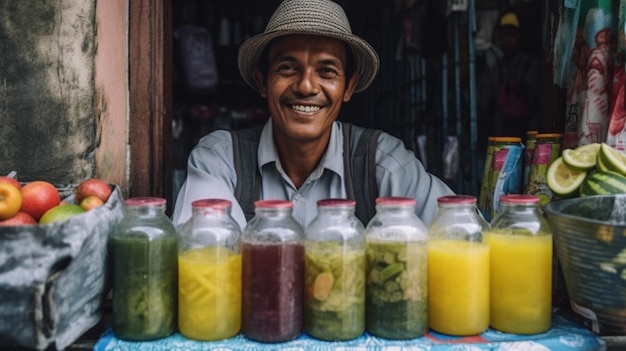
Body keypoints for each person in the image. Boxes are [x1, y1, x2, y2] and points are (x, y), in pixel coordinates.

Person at [172, 0, 454, 230]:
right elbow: (203, 256)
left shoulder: (382, 163)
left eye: (326, 71)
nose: (306, 86)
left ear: (349, 87)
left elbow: (459, 232)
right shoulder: (220, 160)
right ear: (262, 82)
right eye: (288, 68)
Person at [477, 11, 540, 154]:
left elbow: (537, 99)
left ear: (518, 37)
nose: (507, 40)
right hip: (502, 133)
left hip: (528, 132)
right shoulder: (495, 69)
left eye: (511, 35)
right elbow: (484, 103)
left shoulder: (532, 65)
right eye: (503, 36)